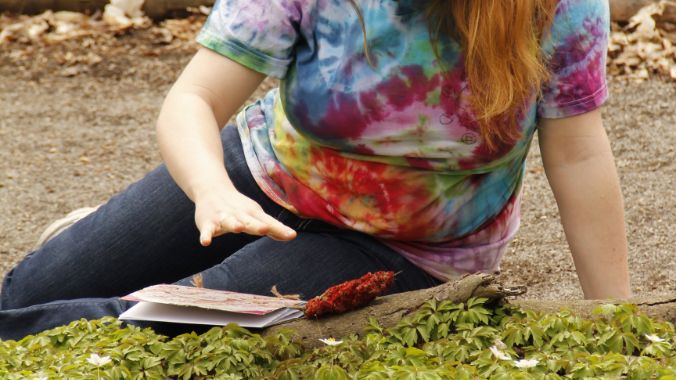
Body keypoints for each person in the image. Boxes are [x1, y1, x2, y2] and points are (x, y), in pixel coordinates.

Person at [0, 0, 631, 340]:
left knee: (141, 326)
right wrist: (211, 190)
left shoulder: (561, 7)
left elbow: (577, 153)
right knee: (25, 298)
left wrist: (619, 321)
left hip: (399, 245)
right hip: (254, 176)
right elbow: (192, 101)